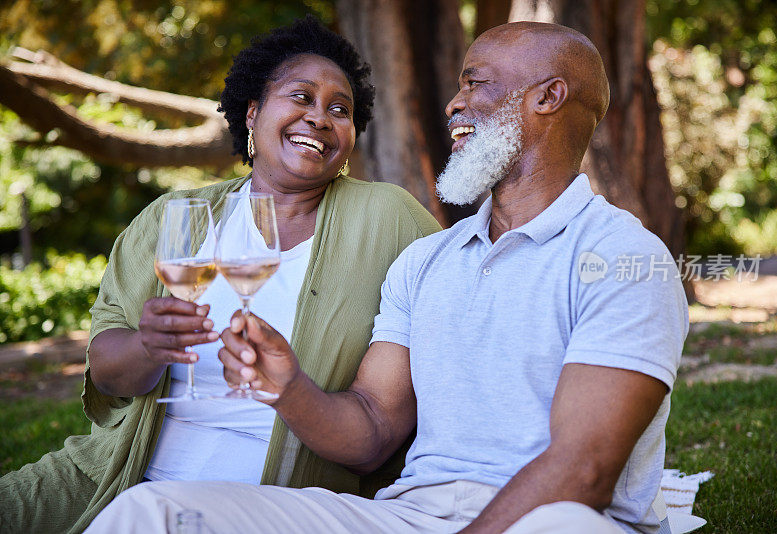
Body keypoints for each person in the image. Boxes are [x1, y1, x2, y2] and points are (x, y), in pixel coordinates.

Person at [85, 21, 688, 534]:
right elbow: (373, 427)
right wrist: (288, 386)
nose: (454, 103)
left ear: (548, 96)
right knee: (152, 510)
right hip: (411, 518)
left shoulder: (622, 257)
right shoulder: (428, 261)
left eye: (474, 82)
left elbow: (584, 469)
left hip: (555, 519)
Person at [0, 16, 441, 534]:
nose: (320, 117)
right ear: (252, 114)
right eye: (300, 97)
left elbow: (390, 419)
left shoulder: (389, 218)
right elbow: (106, 372)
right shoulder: (174, 216)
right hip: (113, 472)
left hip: (266, 497)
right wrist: (149, 345)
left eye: (339, 109)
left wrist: (289, 388)